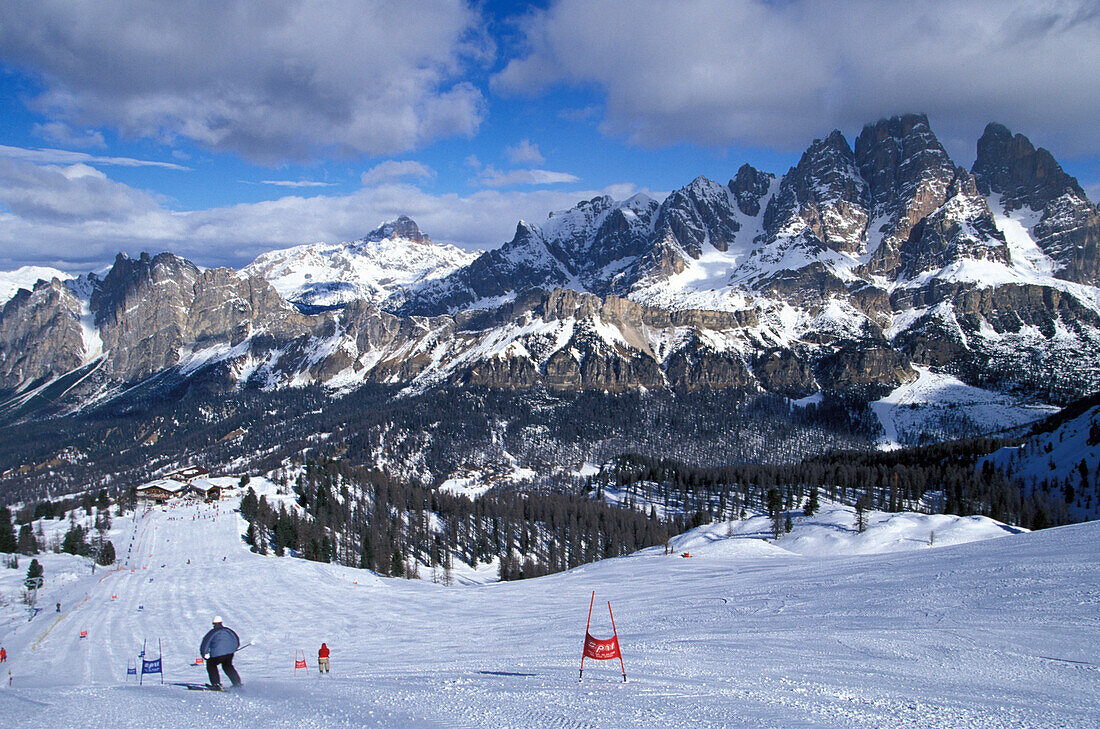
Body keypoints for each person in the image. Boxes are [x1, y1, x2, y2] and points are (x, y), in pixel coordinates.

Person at [200, 616, 241, 689]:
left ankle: (216, 684)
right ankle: (237, 683)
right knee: (228, 666)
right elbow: (236, 640)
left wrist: (204, 654)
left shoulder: (213, 632)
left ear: (213, 623)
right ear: (221, 622)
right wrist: (234, 648)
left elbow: (205, 643)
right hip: (229, 654)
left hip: (217, 655)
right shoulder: (229, 630)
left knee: (211, 665)